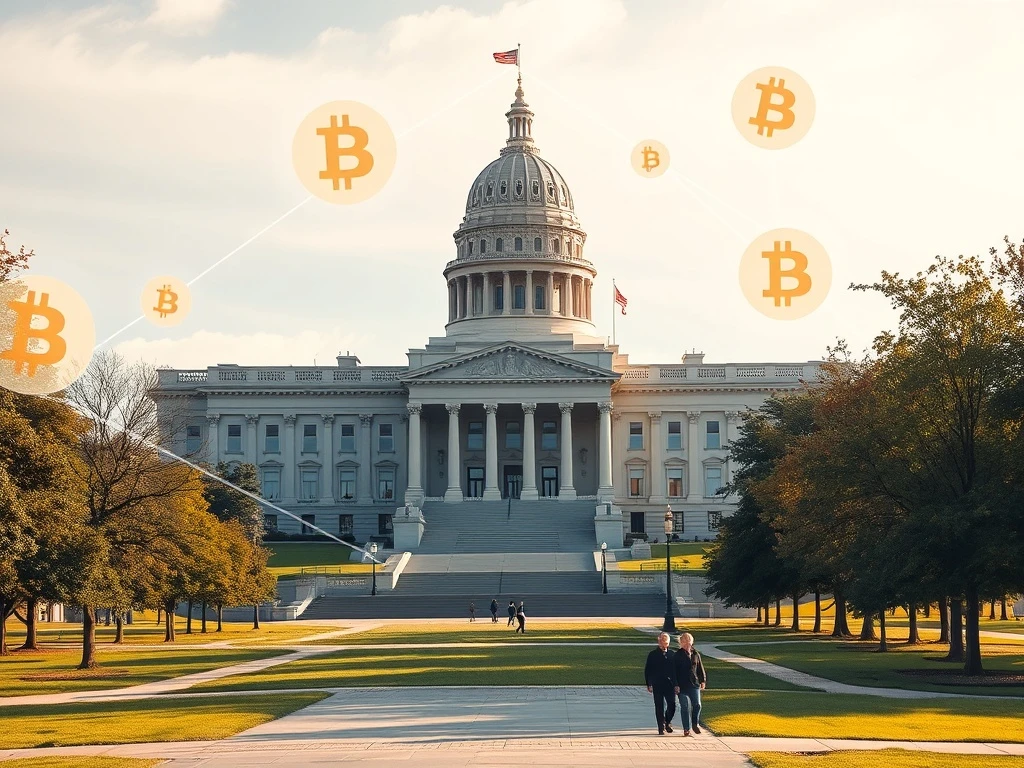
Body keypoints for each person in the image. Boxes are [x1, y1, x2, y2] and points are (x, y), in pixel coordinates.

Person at [673, 632, 707, 735]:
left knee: (697, 705)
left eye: (689, 641)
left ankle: (695, 724)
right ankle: (686, 729)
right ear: (681, 643)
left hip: (694, 684)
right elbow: (673, 671)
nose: (687, 643)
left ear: (692, 642)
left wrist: (702, 680)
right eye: (684, 641)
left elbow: (700, 668)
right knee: (684, 706)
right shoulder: (677, 655)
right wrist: (676, 685)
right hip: (681, 685)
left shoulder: (695, 654)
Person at [644, 632, 677, 735]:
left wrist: (676, 684)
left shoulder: (672, 654)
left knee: (672, 704)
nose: (663, 644)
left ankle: (667, 721)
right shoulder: (653, 655)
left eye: (665, 642)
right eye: (661, 641)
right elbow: (648, 670)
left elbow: (676, 671)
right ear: (658, 642)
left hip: (670, 684)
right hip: (657, 684)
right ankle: (660, 726)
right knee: (659, 706)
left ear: (668, 643)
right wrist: (649, 684)